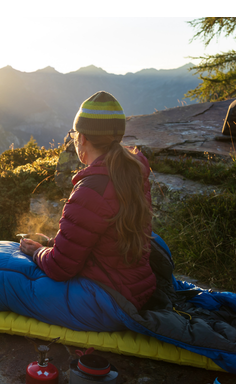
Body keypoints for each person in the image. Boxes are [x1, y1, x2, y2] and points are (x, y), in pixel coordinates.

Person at [19, 91, 156, 310]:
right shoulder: (133, 171)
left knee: (12, 281)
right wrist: (56, 244)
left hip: (108, 300)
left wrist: (36, 252)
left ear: (82, 138)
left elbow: (60, 268)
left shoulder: (92, 189)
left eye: (75, 135)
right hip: (136, 289)